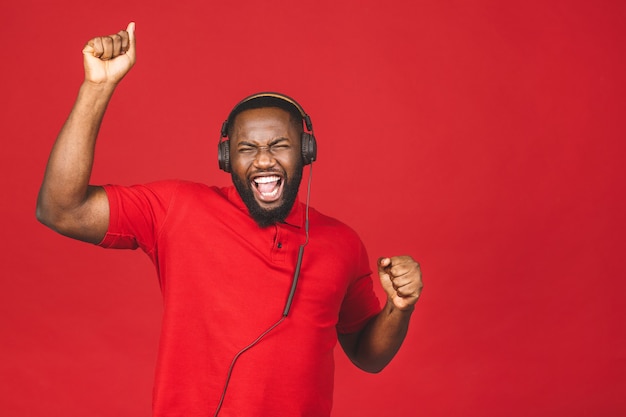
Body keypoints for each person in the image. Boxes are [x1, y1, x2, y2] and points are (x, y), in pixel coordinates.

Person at [36, 22, 423, 417]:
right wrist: (96, 89)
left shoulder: (342, 242)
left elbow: (368, 355)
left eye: (280, 145)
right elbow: (61, 209)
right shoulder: (177, 207)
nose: (264, 160)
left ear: (307, 152)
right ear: (226, 159)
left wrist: (399, 307)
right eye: (247, 148)